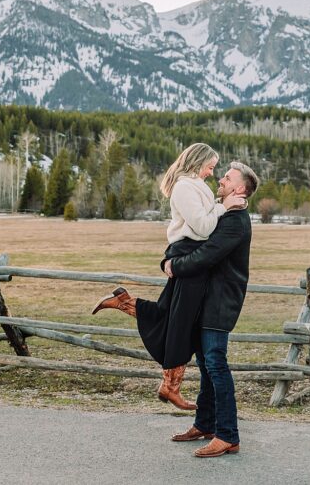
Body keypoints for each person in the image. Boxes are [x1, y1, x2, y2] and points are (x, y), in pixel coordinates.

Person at [91, 143, 246, 410]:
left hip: (188, 251)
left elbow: (204, 220)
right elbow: (203, 227)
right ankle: (170, 386)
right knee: (181, 321)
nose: (212, 173)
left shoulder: (195, 185)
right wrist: (224, 205)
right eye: (210, 166)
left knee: (172, 313)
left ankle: (125, 302)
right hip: (187, 251)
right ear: (198, 162)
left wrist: (220, 204)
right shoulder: (185, 187)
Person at [164, 161, 259, 458]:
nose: (221, 179)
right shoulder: (227, 213)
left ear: (240, 188)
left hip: (220, 302)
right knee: (206, 364)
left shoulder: (235, 220)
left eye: (228, 177)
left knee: (216, 364)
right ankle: (205, 424)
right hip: (210, 299)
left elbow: (206, 255)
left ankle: (228, 435)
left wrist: (174, 266)